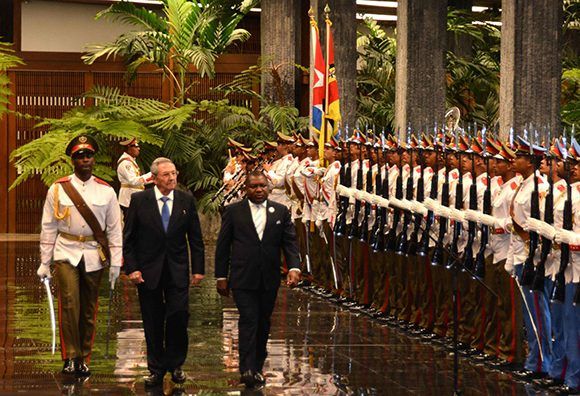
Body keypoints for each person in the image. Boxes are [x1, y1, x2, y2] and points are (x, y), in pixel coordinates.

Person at [37, 135, 123, 377]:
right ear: (72, 160)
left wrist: (116, 261)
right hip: (66, 251)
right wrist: (45, 262)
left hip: (94, 253)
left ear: (93, 158)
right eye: (79, 156)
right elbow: (49, 226)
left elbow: (115, 229)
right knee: (69, 302)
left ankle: (84, 356)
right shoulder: (58, 188)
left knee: (89, 308)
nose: (85, 160)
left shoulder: (106, 191)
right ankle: (70, 356)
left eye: (88, 155)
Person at [123, 157, 205, 387]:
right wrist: (133, 268)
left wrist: (198, 269)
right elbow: (128, 239)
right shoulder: (140, 200)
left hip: (177, 270)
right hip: (148, 271)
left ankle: (176, 364)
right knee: (152, 320)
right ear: (155, 178)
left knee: (179, 316)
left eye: (174, 173)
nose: (172, 178)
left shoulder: (186, 200)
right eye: (166, 174)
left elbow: (195, 238)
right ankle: (156, 368)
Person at [214, 170, 301, 388]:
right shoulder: (233, 211)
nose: (259, 190)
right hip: (243, 277)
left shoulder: (280, 211)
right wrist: (221, 276)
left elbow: (289, 242)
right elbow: (223, 246)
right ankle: (246, 369)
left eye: (262, 186)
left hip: (269, 278)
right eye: (254, 187)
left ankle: (258, 365)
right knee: (248, 319)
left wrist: (294, 268)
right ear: (246, 189)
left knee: (263, 322)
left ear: (268, 187)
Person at [117, 138, 153, 215]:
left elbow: (139, 182)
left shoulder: (131, 161)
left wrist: (154, 178)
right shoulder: (125, 163)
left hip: (134, 199)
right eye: (136, 146)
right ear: (129, 148)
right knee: (130, 224)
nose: (138, 148)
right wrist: (151, 174)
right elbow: (133, 181)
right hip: (128, 199)